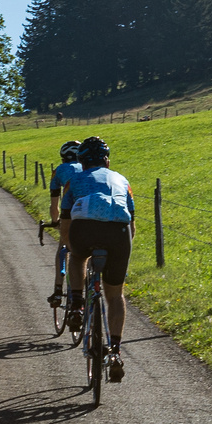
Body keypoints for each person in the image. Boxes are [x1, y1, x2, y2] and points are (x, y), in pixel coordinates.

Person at [47, 136, 134, 378]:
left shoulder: (74, 180)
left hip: (83, 229)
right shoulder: (122, 180)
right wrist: (122, 253)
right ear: (107, 162)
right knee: (115, 296)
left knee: (76, 257)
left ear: (82, 162)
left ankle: (76, 303)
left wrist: (68, 244)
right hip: (119, 233)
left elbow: (65, 222)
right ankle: (115, 351)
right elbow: (133, 226)